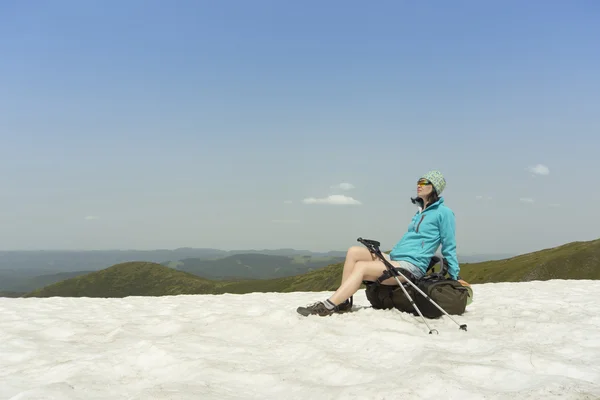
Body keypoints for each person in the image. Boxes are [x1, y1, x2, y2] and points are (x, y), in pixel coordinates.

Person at [296, 170, 459, 317]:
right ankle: (343, 302)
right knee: (354, 251)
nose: (419, 185)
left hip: (411, 266)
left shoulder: (444, 213)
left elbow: (449, 246)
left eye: (424, 183)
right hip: (395, 259)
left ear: (435, 187)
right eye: (418, 182)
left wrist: (455, 277)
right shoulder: (420, 212)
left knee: (362, 267)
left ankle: (329, 306)